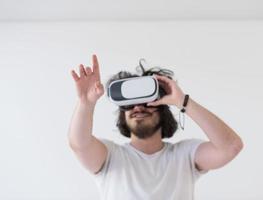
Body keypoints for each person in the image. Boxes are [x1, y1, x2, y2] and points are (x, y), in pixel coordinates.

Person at [68, 54, 244, 200]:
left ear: (162, 108)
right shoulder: (111, 156)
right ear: (123, 114)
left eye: (147, 101)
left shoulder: (185, 155)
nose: (138, 107)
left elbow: (231, 147)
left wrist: (183, 102)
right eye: (129, 104)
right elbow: (79, 144)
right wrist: (86, 103)